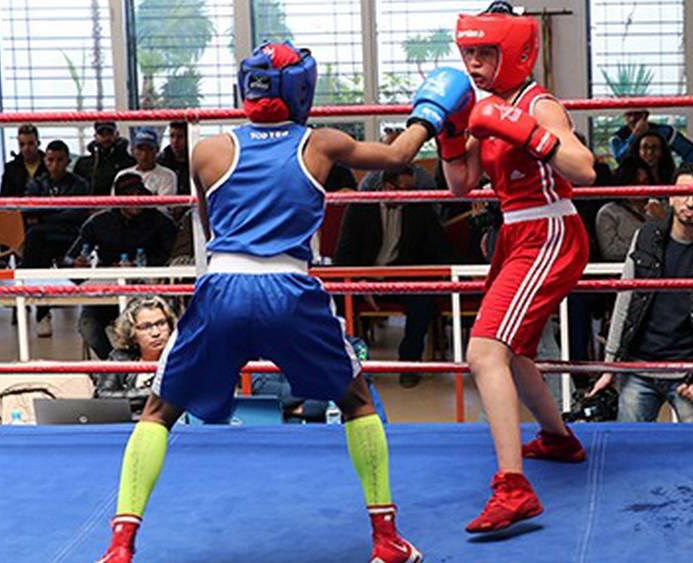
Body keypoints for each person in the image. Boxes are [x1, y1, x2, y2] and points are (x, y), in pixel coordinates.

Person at [97, 40, 473, 563]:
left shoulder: (209, 151)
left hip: (223, 285)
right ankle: (387, 542)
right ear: (303, 90)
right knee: (357, 401)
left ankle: (119, 548)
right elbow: (398, 157)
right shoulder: (321, 144)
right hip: (289, 288)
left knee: (159, 411)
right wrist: (432, 111)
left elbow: (209, 227)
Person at [441, 0, 593, 534]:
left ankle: (514, 487)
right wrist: (451, 132)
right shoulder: (486, 110)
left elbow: (585, 169)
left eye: (485, 53)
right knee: (515, 349)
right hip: (514, 232)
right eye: (469, 53)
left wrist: (525, 130)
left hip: (550, 229)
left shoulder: (537, 103)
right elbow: (461, 186)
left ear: (512, 54)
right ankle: (558, 439)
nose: (475, 64)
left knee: (484, 352)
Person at [587, 164, 693, 422]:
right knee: (631, 454)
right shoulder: (644, 238)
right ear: (670, 196)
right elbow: (624, 303)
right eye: (682, 193)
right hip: (638, 370)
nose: (690, 203)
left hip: (691, 375)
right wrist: (609, 368)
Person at [334, 165, 458, 388]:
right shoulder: (360, 208)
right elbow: (343, 255)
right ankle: (346, 364)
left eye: (411, 191)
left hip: (402, 277)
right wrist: (361, 282)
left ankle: (409, 364)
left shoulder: (419, 209)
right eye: (403, 190)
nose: (408, 196)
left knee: (423, 298)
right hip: (365, 277)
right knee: (335, 298)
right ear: (386, 187)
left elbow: (441, 250)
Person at [66, 173, 177, 360]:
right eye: (130, 195)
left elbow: (172, 256)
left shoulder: (160, 221)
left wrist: (143, 265)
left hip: (146, 294)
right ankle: (117, 365)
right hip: (108, 292)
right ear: (118, 199)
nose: (136, 199)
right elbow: (70, 259)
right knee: (88, 327)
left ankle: (142, 363)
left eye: (139, 194)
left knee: (151, 327)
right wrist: (77, 264)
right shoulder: (99, 222)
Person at [19, 140, 90, 337]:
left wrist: (45, 215)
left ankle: (26, 284)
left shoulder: (79, 184)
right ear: (45, 160)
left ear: (67, 161)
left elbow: (78, 215)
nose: (55, 164)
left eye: (60, 160)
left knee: (36, 234)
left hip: (71, 239)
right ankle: (42, 313)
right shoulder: (36, 183)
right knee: (36, 243)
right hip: (46, 240)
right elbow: (28, 210)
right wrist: (59, 212)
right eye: (50, 160)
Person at [96, 297, 178, 416]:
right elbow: (102, 397)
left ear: (170, 326)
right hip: (124, 426)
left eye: (161, 324)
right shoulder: (119, 358)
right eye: (145, 327)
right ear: (132, 334)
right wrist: (152, 394)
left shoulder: (182, 358)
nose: (156, 333)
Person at [610, 109, 693, 165]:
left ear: (646, 115)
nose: (633, 119)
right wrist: (635, 136)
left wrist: (683, 175)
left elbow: (690, 151)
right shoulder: (618, 137)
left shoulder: (664, 132)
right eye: (629, 115)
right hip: (633, 184)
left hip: (662, 181)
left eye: (637, 114)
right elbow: (620, 159)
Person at [74, 121, 137, 195]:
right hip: (92, 204)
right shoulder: (83, 164)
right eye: (102, 134)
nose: (106, 137)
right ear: (95, 136)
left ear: (116, 134)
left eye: (109, 133)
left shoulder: (129, 161)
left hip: (121, 204)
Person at [117, 128, 177, 197]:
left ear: (157, 150)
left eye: (149, 149)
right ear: (133, 150)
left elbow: (164, 206)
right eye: (140, 149)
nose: (144, 154)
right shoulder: (122, 175)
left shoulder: (167, 175)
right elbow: (115, 204)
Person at [0, 123, 47, 198]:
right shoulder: (11, 169)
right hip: (18, 208)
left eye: (30, 143)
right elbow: (3, 199)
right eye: (22, 144)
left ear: (38, 143)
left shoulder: (49, 165)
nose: (26, 148)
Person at [157, 121, 189, 195]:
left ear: (188, 138)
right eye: (172, 136)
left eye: (180, 137)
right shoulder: (161, 160)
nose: (175, 141)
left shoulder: (195, 160)